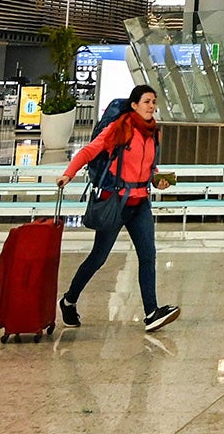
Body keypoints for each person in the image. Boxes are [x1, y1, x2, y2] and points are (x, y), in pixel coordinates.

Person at [54, 84, 178, 331]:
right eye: (146, 101)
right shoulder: (118, 129)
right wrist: (68, 175)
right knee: (98, 257)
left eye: (154, 102)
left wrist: (158, 179)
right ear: (134, 105)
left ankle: (151, 312)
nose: (152, 106)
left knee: (148, 256)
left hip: (140, 203)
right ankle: (69, 300)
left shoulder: (154, 134)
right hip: (115, 201)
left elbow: (150, 167)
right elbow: (89, 151)